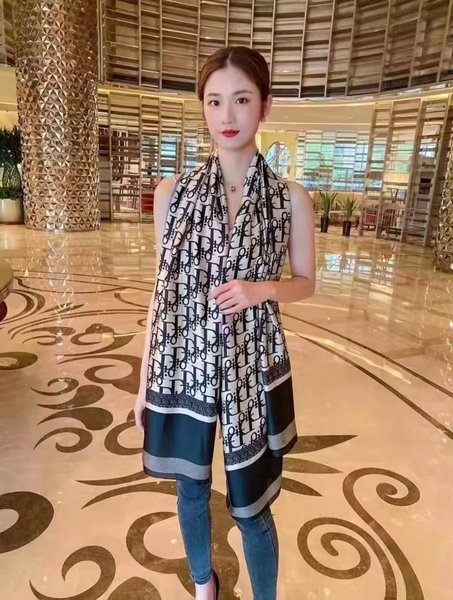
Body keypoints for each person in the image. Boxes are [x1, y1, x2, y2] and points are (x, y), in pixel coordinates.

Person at [134, 46, 316, 600]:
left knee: (252, 506)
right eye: (214, 102)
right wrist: (143, 383)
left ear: (265, 105)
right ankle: (203, 583)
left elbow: (306, 282)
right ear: (203, 108)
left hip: (251, 364)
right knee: (190, 488)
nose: (227, 115)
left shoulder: (290, 199)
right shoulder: (172, 195)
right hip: (183, 358)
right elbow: (163, 293)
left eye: (241, 99)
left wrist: (262, 289)